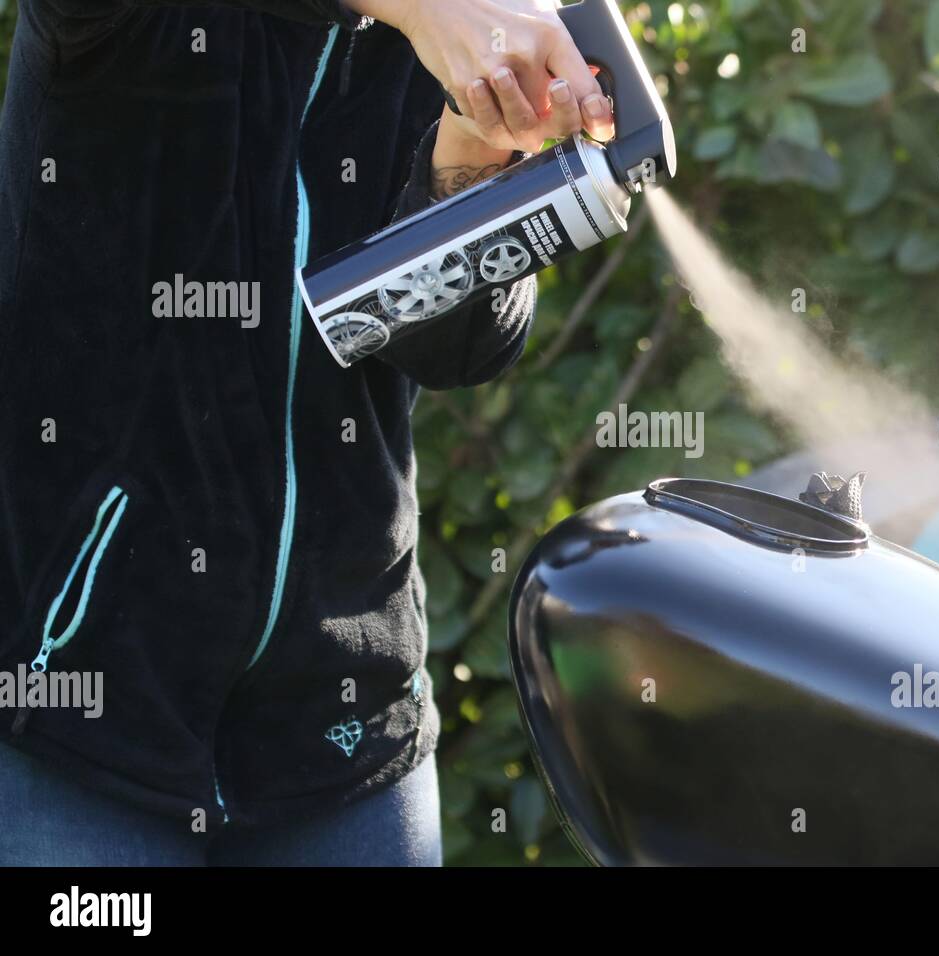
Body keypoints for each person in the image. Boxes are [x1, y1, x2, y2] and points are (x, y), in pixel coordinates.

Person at [0, 0, 611, 865]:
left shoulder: (446, 34)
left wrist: (474, 164)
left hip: (347, 717)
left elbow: (450, 347)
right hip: (79, 709)